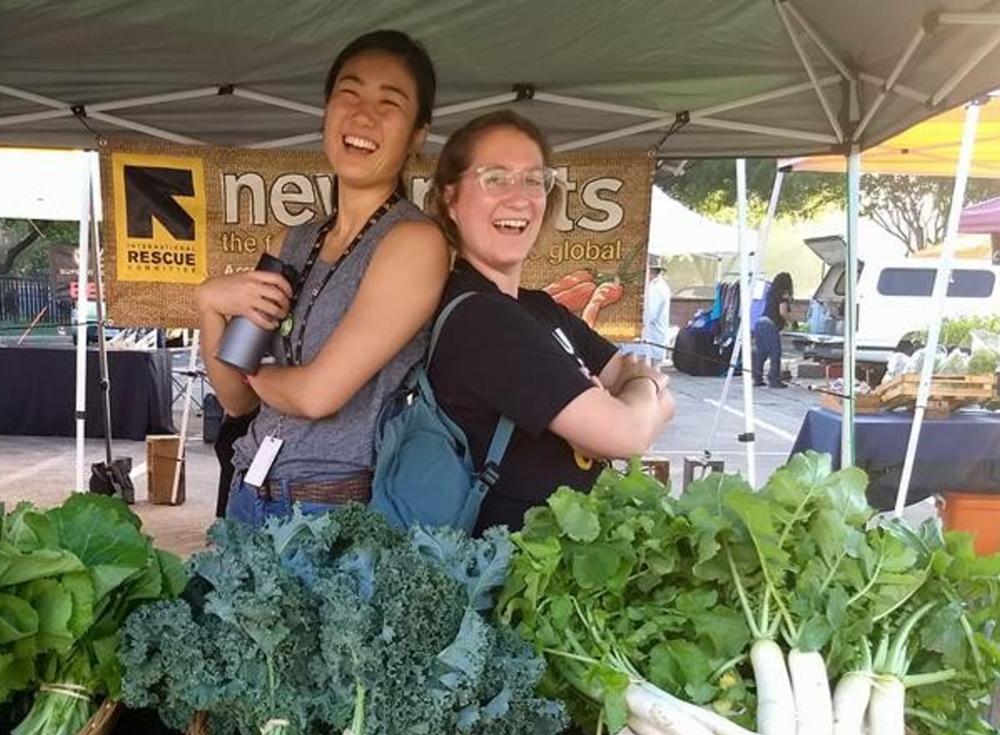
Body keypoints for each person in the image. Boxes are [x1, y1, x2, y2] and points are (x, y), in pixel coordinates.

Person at [194, 30, 449, 527]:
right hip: (250, 490)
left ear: (418, 133)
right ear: (327, 110)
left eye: (389, 103)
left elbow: (316, 395)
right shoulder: (295, 239)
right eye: (348, 94)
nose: (362, 115)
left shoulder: (414, 242)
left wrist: (248, 362)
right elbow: (235, 398)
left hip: (333, 507)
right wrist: (206, 303)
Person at [427, 110, 676, 534]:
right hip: (505, 577)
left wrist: (630, 397)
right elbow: (629, 434)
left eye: (533, 180)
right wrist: (640, 391)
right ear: (451, 199)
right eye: (495, 178)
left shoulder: (539, 307)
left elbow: (663, 404)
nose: (519, 197)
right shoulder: (482, 320)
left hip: (554, 567)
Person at [753, 270, 793, 388]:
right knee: (775, 353)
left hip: (760, 323)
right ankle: (774, 380)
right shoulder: (783, 294)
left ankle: (757, 378)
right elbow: (782, 312)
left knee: (761, 353)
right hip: (770, 325)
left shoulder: (770, 293)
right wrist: (791, 322)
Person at [641, 253, 672, 365]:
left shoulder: (655, 288)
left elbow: (649, 315)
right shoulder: (657, 286)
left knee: (648, 375)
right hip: (652, 342)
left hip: (652, 341)